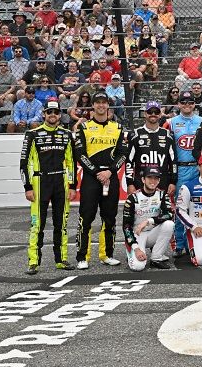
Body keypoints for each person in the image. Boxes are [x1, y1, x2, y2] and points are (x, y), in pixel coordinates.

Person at [73, 91, 128, 269]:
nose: (101, 105)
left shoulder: (118, 128)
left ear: (108, 106)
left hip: (110, 178)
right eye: (98, 102)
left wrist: (110, 172)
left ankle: (107, 254)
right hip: (91, 178)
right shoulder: (85, 127)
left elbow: (122, 154)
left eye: (104, 102)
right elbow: (80, 154)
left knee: (110, 217)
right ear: (93, 105)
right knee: (86, 217)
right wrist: (97, 172)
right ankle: (83, 256)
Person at [21, 100, 75, 274]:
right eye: (49, 112)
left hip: (60, 182)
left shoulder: (66, 134)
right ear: (44, 114)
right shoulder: (32, 134)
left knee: (62, 224)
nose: (53, 115)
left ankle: (61, 259)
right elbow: (23, 164)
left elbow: (71, 162)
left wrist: (72, 185)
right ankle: (34, 262)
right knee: (37, 224)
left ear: (60, 115)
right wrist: (27, 187)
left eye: (56, 112)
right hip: (39, 183)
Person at [164, 91, 202, 256]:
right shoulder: (171, 122)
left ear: (194, 104)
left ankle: (200, 241)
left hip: (199, 169)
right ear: (179, 104)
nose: (187, 105)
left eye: (190, 102)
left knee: (200, 206)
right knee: (181, 208)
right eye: (184, 102)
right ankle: (179, 244)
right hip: (180, 169)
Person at [122, 167, 174, 271]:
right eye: (150, 177)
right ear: (143, 180)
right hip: (137, 234)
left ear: (159, 180)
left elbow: (169, 214)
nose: (153, 181)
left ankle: (156, 258)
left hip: (152, 232)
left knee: (169, 224)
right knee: (138, 267)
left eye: (156, 178)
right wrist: (136, 249)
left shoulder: (162, 195)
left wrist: (148, 221)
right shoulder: (132, 198)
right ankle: (131, 251)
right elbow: (126, 226)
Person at [126, 101, 177, 194]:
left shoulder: (168, 135)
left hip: (162, 182)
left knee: (163, 208)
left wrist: (173, 182)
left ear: (160, 114)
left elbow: (173, 161)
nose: (153, 114)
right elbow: (129, 161)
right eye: (150, 112)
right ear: (145, 114)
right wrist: (129, 183)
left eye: (156, 112)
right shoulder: (135, 134)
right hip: (140, 183)